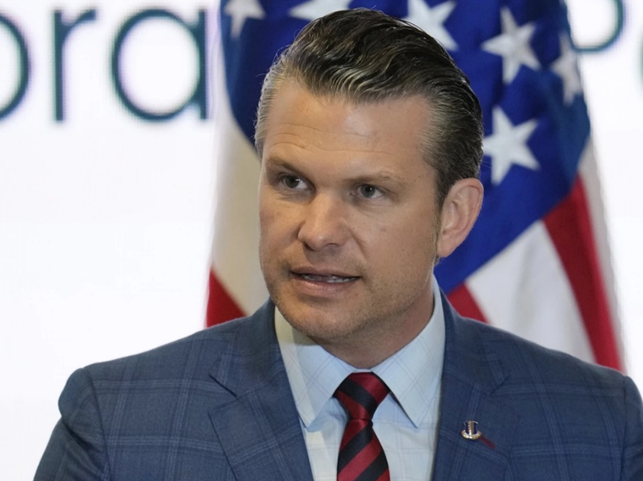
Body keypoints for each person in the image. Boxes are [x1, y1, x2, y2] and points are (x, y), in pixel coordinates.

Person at [35, 9, 643, 480]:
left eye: (368, 192)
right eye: (292, 183)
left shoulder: (595, 427)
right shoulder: (120, 429)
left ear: (453, 217)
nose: (318, 231)